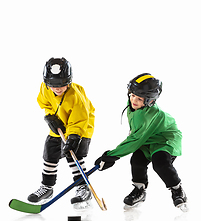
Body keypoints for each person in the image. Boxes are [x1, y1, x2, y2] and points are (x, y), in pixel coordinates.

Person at [95, 73, 187, 210]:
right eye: (132, 95)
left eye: (139, 98)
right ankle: (139, 190)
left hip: (165, 140)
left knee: (160, 163)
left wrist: (112, 155)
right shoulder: (133, 106)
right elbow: (136, 135)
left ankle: (177, 189)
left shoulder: (150, 115)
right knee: (137, 161)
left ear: (150, 101)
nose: (134, 100)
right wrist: (113, 155)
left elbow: (135, 139)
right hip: (146, 139)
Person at [28, 57, 95, 206]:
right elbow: (44, 102)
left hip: (81, 128)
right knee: (50, 152)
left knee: (74, 155)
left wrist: (73, 137)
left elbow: (79, 119)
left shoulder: (76, 96)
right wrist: (50, 117)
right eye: (53, 85)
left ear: (69, 81)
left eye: (62, 85)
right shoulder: (45, 88)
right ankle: (47, 187)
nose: (57, 88)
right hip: (59, 126)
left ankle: (83, 187)